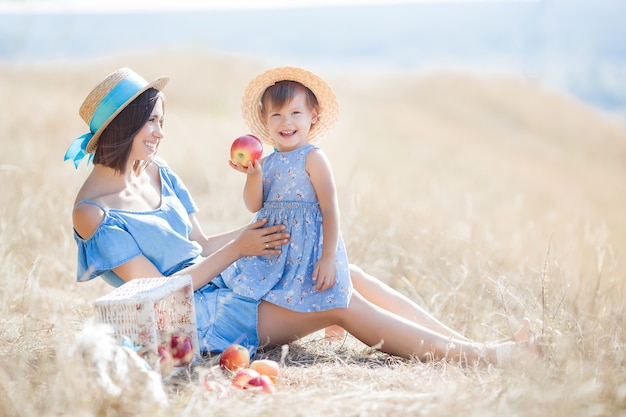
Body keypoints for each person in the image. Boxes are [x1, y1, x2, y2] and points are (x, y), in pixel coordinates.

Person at [65, 67, 532, 367]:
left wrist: (260, 234)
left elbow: (202, 245)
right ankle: (484, 358)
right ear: (123, 127)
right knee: (333, 301)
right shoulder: (94, 213)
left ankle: (471, 343)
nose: (160, 134)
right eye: (151, 123)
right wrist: (239, 249)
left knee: (347, 275)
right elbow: (159, 296)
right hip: (194, 318)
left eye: (162, 122)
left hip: (225, 279)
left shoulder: (157, 172)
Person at [226, 67, 351, 340]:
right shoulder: (266, 163)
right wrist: (253, 176)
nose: (286, 122)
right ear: (265, 119)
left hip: (309, 245)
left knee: (321, 283)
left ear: (313, 116)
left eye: (296, 113)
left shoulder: (313, 158)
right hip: (276, 247)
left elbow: (329, 208)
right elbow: (254, 204)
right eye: (277, 115)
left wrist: (328, 256)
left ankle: (334, 327)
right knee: (271, 290)